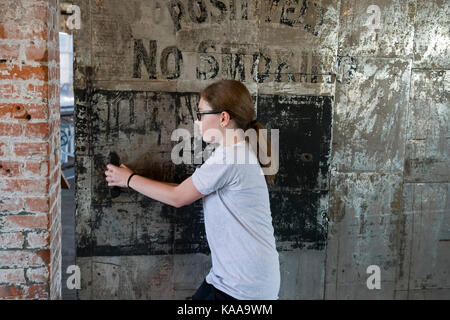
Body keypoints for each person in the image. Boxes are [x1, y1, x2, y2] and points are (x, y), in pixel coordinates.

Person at [104, 79, 280, 300]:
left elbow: (178, 197)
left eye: (201, 114)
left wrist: (129, 179)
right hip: (228, 279)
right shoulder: (233, 153)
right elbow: (184, 189)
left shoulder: (232, 157)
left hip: (244, 288)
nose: (198, 122)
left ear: (223, 118)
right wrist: (130, 179)